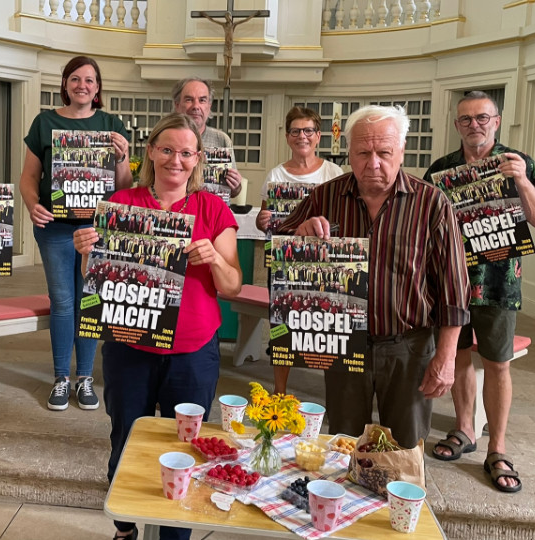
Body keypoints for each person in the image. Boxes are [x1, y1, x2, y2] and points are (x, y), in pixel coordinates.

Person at [73, 113, 242, 540]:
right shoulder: (122, 203)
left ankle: (175, 534)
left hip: (193, 351)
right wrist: (86, 251)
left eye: (186, 152)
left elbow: (233, 285)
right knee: (126, 439)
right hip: (130, 346)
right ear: (150, 151)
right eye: (167, 149)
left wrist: (215, 259)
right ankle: (125, 526)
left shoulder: (212, 207)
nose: (176, 160)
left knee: (187, 450)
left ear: (198, 158)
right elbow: (96, 279)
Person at [278, 104, 470, 449]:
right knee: (344, 443)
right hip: (342, 343)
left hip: (408, 347)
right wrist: (299, 235)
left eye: (384, 152)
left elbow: (453, 288)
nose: (374, 163)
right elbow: (280, 250)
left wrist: (447, 356)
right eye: (363, 153)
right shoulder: (325, 195)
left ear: (401, 151)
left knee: (406, 448)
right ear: (349, 152)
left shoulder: (431, 203)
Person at [426, 91, 535, 493]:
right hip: (450, 280)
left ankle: (496, 447)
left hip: (500, 279)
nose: (474, 125)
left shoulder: (518, 163)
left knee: (497, 362)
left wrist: (520, 182)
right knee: (458, 354)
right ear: (457, 125)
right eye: (465, 120)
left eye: (482, 118)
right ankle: (464, 429)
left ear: (496, 122)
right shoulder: (441, 170)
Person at [20, 56, 133, 412]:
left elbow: (125, 187)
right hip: (54, 227)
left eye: (89, 80)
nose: (82, 85)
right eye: (75, 79)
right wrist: (31, 204)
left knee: (89, 300)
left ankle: (85, 376)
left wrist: (122, 156)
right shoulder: (45, 122)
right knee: (63, 301)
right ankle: (60, 378)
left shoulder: (111, 124)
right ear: (65, 83)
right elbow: (28, 177)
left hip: (96, 228)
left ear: (98, 88)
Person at [253, 106, 343, 395]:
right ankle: (279, 390)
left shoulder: (334, 172)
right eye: (295, 131)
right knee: (283, 324)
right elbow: (263, 219)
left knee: (329, 327)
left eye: (308, 131)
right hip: (284, 261)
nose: (301, 136)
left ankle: (333, 390)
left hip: (325, 261)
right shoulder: (276, 174)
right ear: (288, 136)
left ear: (318, 136)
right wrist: (262, 219)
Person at [171, 77, 243, 200]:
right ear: (177, 105)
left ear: (209, 106)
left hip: (211, 214)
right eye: (189, 100)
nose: (196, 106)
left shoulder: (221, 139)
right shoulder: (164, 137)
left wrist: (236, 185)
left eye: (202, 100)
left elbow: (233, 192)